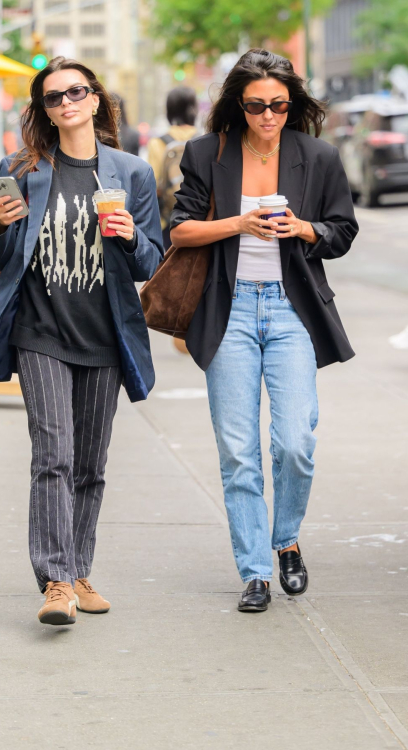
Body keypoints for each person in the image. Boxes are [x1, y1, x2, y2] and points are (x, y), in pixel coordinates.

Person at [0, 57, 163, 626]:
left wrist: (129, 236)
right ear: (45, 111)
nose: (67, 102)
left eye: (77, 92)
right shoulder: (22, 167)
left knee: (90, 464)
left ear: (96, 100)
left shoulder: (131, 173)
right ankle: (55, 582)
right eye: (54, 97)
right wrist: (1, 225)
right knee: (52, 454)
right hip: (41, 332)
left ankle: (78, 570)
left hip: (104, 335)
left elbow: (152, 260)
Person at [170, 48, 358, 613]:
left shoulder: (317, 156)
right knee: (237, 449)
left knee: (296, 440)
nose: (268, 116)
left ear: (292, 104)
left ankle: (287, 538)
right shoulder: (208, 153)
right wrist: (239, 223)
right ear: (238, 105)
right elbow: (179, 231)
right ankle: (255, 571)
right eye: (256, 106)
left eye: (279, 105)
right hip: (228, 311)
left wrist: (304, 229)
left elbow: (343, 230)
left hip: (290, 310)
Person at [148, 87, 198, 248]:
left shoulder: (157, 143)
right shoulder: (206, 139)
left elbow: (153, 184)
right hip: (201, 222)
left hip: (168, 221)